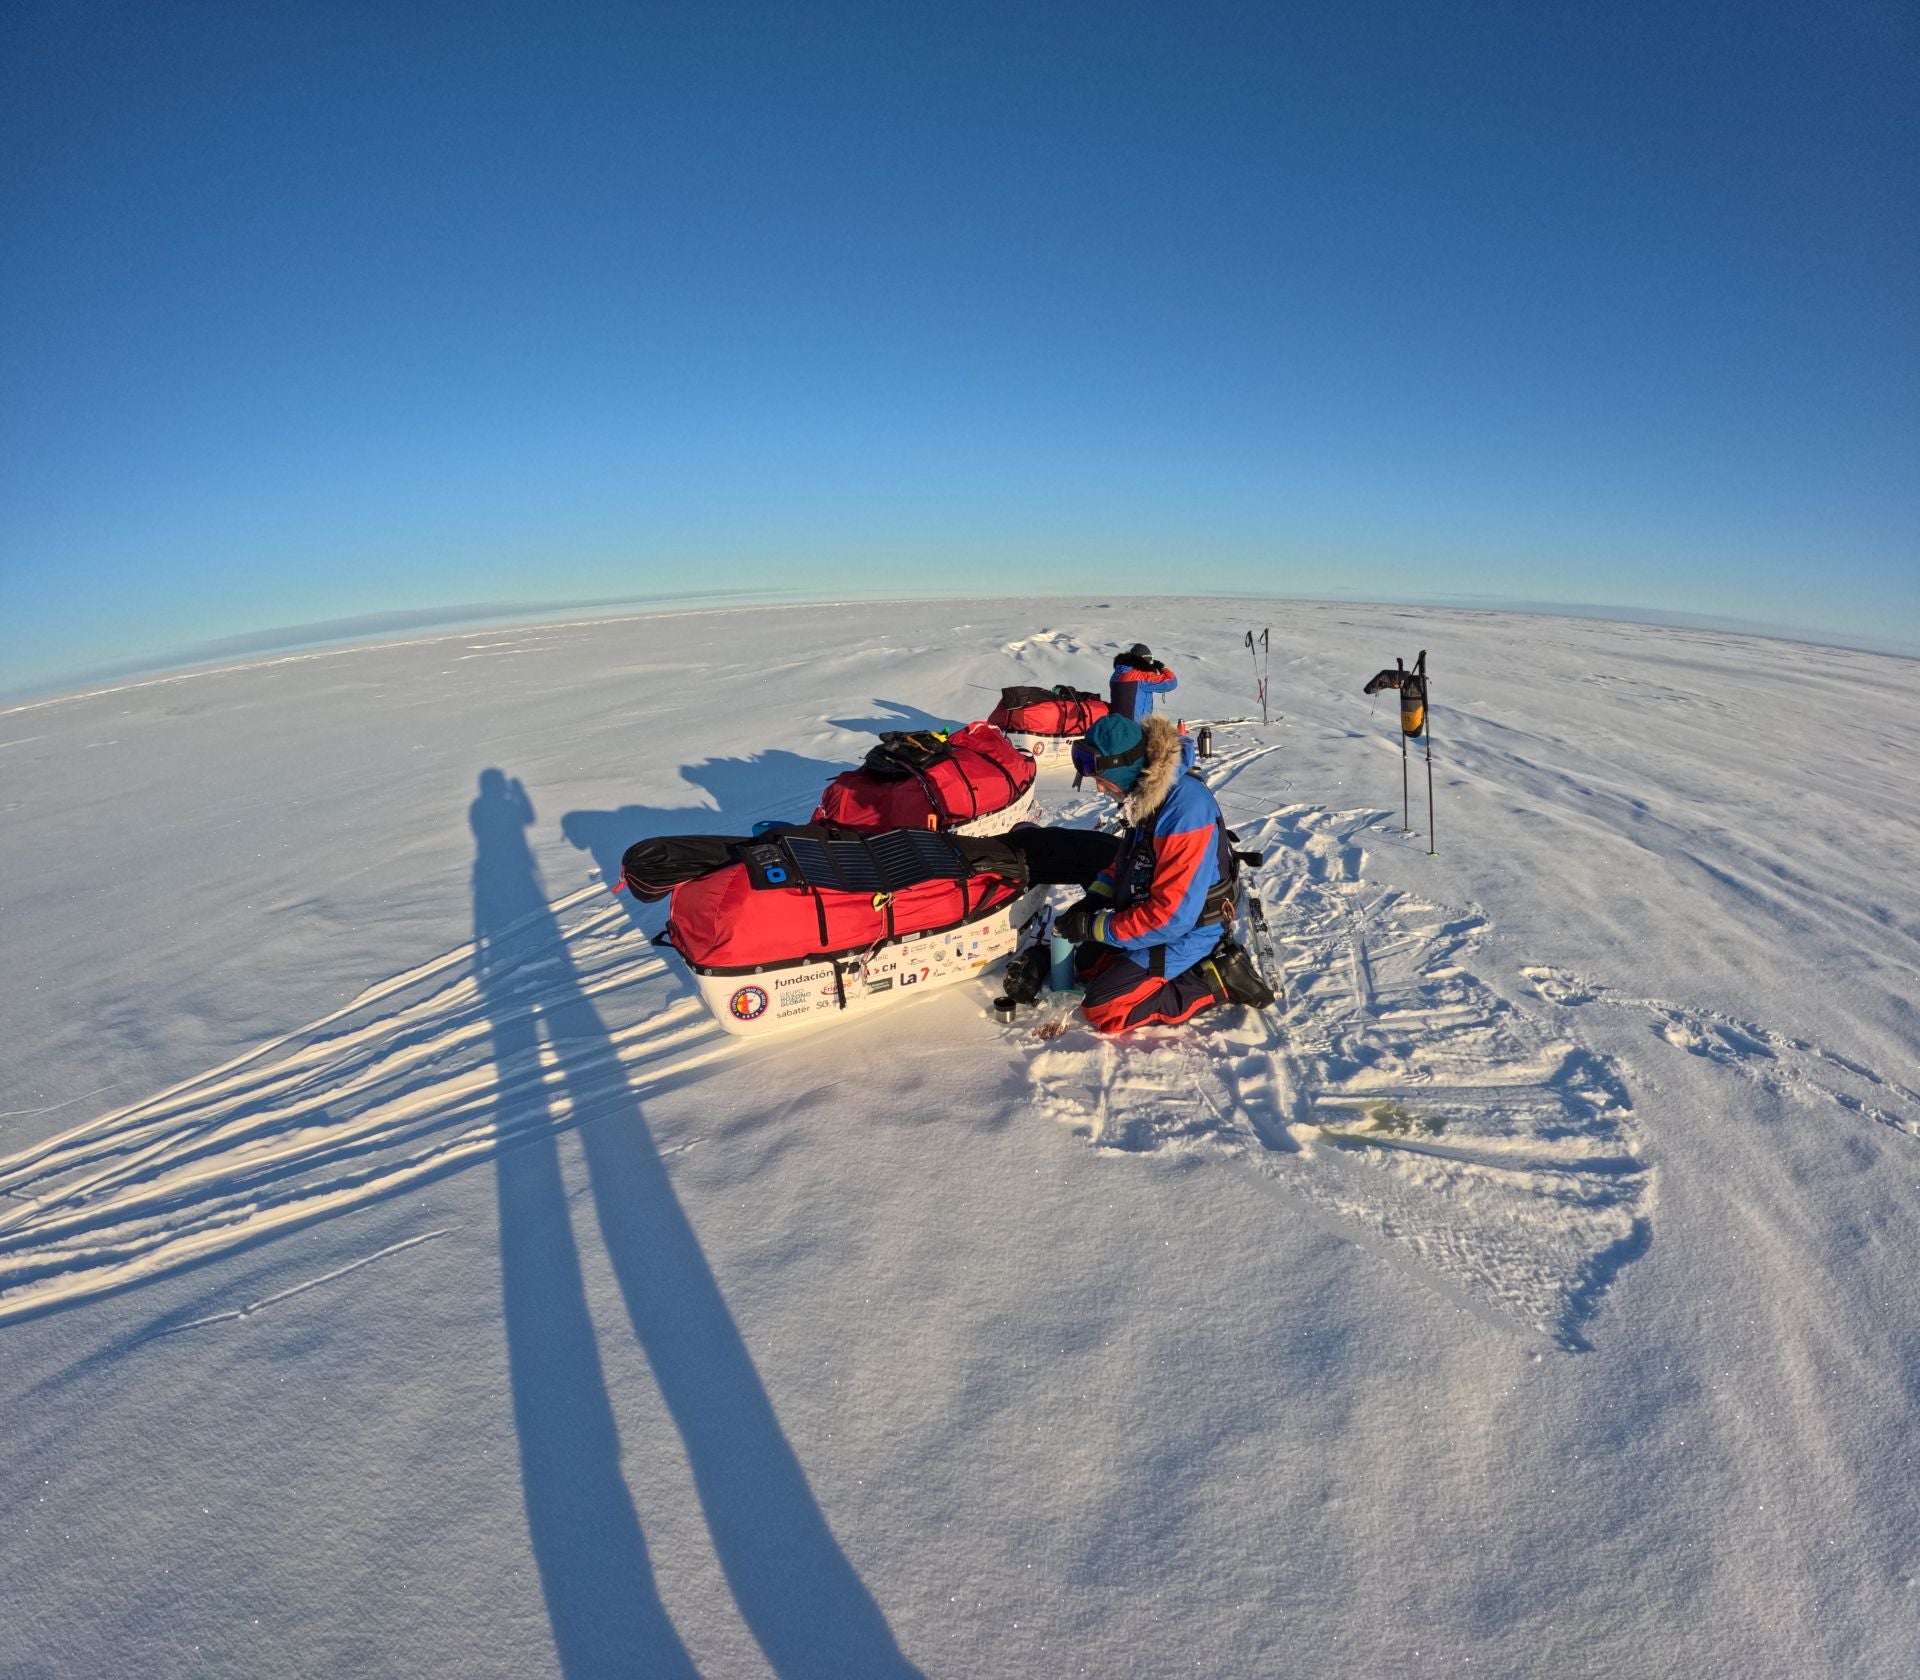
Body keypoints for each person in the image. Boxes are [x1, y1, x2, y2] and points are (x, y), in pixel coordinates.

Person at [1052, 713, 1272, 1033]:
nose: (1099, 789)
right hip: (1159, 914)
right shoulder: (1147, 793)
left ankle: (1219, 978)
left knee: (1105, 1008)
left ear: (1124, 768)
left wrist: (1094, 927)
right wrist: (1092, 902)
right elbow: (1129, 862)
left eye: (1102, 777)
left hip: (1193, 927)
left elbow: (1170, 919)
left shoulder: (1184, 811)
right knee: (1087, 964)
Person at [1108, 642, 1177, 721]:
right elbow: (1171, 682)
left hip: (1116, 724)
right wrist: (1162, 668)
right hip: (1136, 727)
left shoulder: (1116, 675)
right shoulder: (1140, 677)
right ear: (1143, 661)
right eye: (1150, 661)